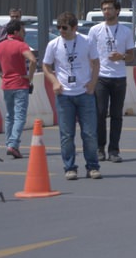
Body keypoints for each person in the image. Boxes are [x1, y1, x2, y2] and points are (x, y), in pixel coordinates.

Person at [42, 12, 102, 180]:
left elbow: (96, 63)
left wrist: (93, 83)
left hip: (84, 93)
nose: (61, 31)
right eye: (59, 27)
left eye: (65, 28)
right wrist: (54, 81)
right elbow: (46, 66)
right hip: (64, 95)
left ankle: (92, 167)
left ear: (75, 28)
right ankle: (70, 167)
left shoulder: (87, 41)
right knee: (67, 134)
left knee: (89, 133)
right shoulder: (53, 44)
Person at [88, 0, 135, 162]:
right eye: (104, 9)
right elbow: (89, 54)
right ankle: (100, 148)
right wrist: (91, 74)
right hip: (101, 77)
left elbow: (131, 56)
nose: (106, 12)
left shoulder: (126, 31)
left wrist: (121, 56)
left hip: (119, 78)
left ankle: (114, 150)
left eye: (109, 8)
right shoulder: (95, 30)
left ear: (117, 11)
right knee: (100, 114)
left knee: (116, 115)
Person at [0, 20, 36, 159]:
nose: (24, 33)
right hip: (20, 84)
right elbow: (33, 60)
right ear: (17, 32)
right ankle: (13, 144)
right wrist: (29, 77)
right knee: (19, 116)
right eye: (23, 31)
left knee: (9, 116)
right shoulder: (21, 45)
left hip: (7, 85)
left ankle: (9, 143)